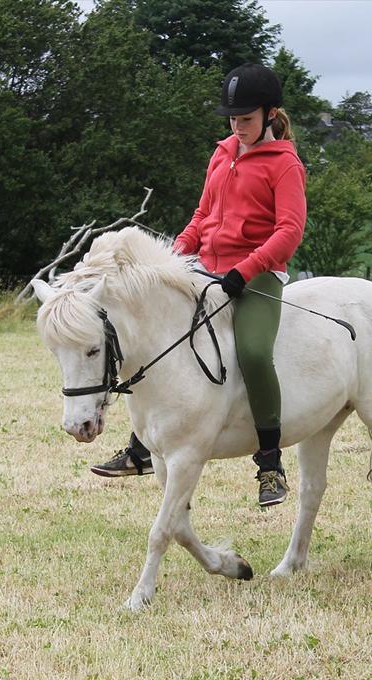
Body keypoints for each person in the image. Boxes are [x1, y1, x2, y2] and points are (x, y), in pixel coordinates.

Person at [91, 63, 306, 508]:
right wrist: (179, 251)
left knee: (251, 352)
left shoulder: (285, 164)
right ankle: (142, 447)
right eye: (232, 119)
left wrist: (245, 271)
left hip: (258, 276)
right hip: (205, 269)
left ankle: (270, 461)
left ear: (270, 115)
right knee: (158, 341)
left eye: (245, 120)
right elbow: (203, 215)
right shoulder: (223, 152)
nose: (237, 127)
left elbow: (289, 231)